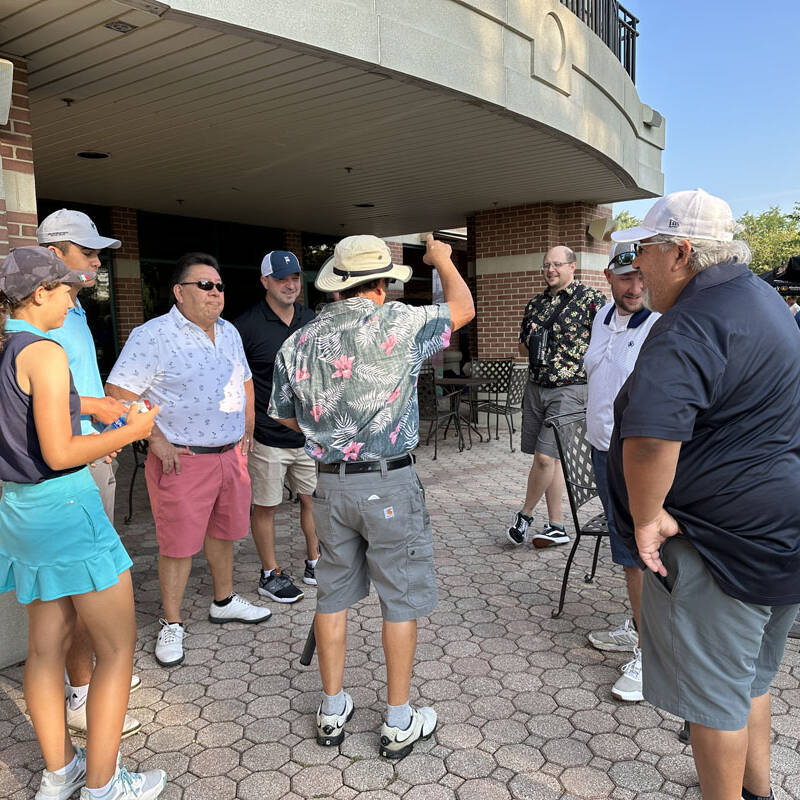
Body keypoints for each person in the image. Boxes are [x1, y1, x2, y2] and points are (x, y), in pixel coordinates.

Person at [608, 189, 800, 800]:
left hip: (722, 545)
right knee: (750, 681)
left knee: (715, 698)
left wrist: (645, 519)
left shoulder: (692, 321)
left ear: (682, 253)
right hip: (778, 528)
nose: (637, 264)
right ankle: (756, 792)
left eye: (645, 250)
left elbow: (648, 442)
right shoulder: (761, 298)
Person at [269, 234, 474, 759]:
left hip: (329, 483)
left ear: (338, 284)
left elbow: (287, 417)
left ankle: (332, 708)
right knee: (399, 598)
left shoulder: (297, 342)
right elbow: (464, 307)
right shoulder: (402, 325)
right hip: (389, 481)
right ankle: (398, 720)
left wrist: (331, 432)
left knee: (332, 593)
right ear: (383, 285)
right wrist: (444, 259)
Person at [0, 247, 165, 800]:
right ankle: (104, 785)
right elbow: (61, 450)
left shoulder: (7, 347)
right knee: (116, 650)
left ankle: (60, 774)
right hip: (67, 509)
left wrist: (93, 405)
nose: (75, 298)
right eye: (67, 289)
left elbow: (26, 416)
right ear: (40, 294)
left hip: (22, 511)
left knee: (45, 648)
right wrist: (134, 430)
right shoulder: (45, 352)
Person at [106, 252, 270, 669]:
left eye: (219, 286)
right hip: (183, 458)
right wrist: (155, 440)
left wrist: (246, 430)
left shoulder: (229, 332)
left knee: (225, 532)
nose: (216, 292)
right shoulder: (153, 335)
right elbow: (119, 395)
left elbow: (246, 383)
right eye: (205, 285)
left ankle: (224, 600)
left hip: (228, 455)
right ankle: (172, 622)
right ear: (179, 292)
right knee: (177, 545)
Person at [37, 209, 142, 738]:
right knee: (80, 586)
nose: (98, 261)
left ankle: (88, 680)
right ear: (55, 254)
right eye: (88, 251)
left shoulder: (71, 311)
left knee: (81, 585)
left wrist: (103, 432)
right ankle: (82, 694)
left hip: (89, 455)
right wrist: (105, 419)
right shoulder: (38, 323)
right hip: (65, 467)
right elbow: (43, 396)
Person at [583, 243, 659, 702]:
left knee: (638, 554)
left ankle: (653, 656)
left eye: (641, 277)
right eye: (626, 277)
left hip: (637, 458)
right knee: (625, 551)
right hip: (602, 450)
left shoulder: (660, 326)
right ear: (609, 277)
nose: (636, 286)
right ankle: (637, 627)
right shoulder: (600, 319)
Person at [234, 251, 319, 604]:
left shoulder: (311, 320)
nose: (290, 284)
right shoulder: (245, 326)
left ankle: (315, 562)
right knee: (265, 506)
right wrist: (244, 429)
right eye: (282, 278)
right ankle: (270, 573)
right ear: (264, 281)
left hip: (308, 436)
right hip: (267, 438)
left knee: (313, 500)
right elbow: (237, 382)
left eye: (295, 278)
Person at [507, 246, 605, 547]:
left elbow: (607, 339)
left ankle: (524, 515)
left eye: (557, 264)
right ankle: (557, 526)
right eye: (546, 265)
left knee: (544, 456)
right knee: (554, 460)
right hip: (537, 386)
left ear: (572, 267)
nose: (550, 270)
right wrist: (535, 343)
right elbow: (523, 344)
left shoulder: (592, 300)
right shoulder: (535, 303)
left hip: (571, 388)